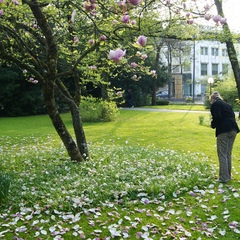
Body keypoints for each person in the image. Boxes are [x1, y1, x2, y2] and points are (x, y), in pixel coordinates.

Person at [209, 91, 239, 183]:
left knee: (222, 153)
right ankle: (228, 176)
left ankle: (223, 178)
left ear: (212, 99)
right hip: (233, 129)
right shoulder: (227, 104)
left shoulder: (216, 104)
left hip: (224, 130)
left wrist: (212, 125)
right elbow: (232, 116)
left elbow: (217, 117)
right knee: (228, 153)